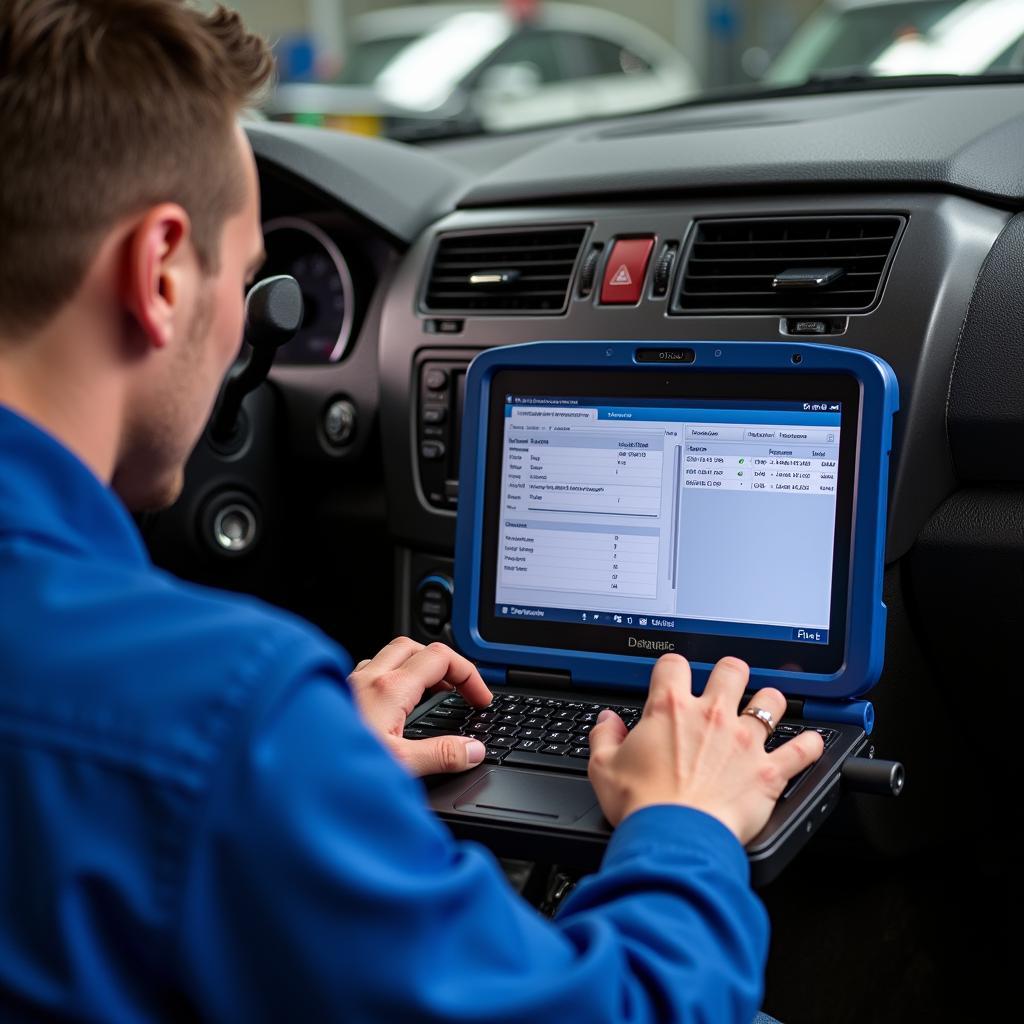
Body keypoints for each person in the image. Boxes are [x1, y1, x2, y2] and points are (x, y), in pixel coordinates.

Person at [0, 2, 824, 1020]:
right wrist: (686, 824)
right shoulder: (221, 718)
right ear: (161, 271)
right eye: (251, 277)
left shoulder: (220, 733)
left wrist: (310, 783)